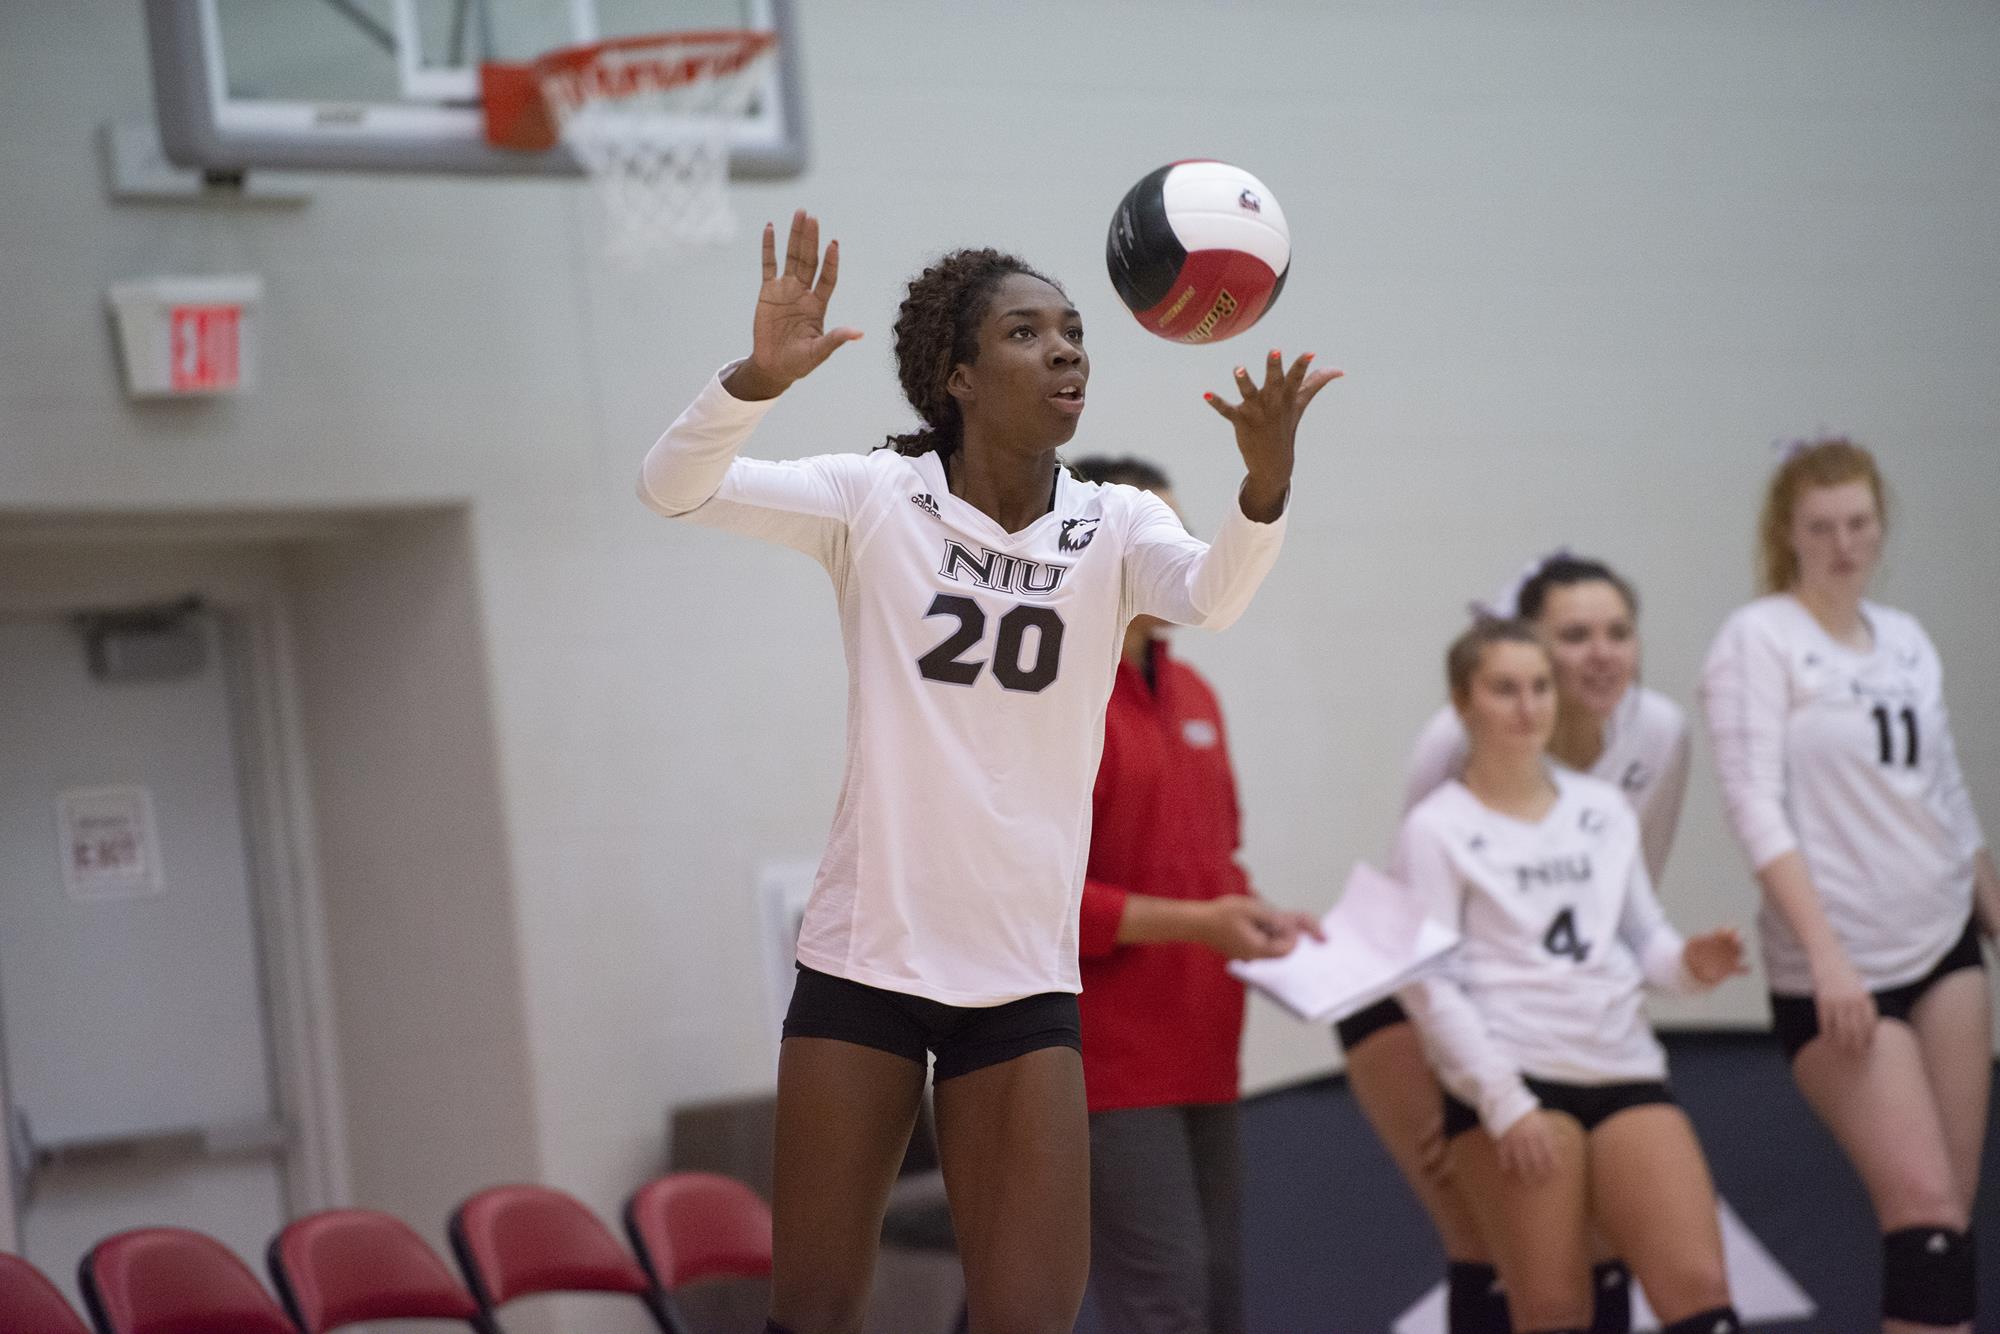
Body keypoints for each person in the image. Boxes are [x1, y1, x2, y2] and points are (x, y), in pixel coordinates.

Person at [637, 211, 1340, 1334]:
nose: (1066, 349)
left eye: (1071, 330)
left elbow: (1213, 596)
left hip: (1019, 976)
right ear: (957, 376)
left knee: (1029, 1315)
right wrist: (753, 378)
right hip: (866, 956)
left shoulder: (1114, 521)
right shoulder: (872, 497)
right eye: (1027, 332)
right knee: (811, 1309)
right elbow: (674, 486)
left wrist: (1261, 490)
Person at [1338, 554, 1691, 1333]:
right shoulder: (1452, 742)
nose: (1599, 655)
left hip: (1552, 1008)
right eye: (1573, 636)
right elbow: (1417, 932)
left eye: (1617, 633)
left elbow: (1628, 911)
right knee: (1489, 1235)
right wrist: (1468, 1087)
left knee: (1602, 1249)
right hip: (1413, 999)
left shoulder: (1659, 730)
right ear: (1524, 646)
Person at [1700, 437, 1998, 1334]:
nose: (1843, 543)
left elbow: (1943, 790)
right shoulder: (1760, 639)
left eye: (1859, 523)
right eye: (1822, 527)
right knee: (1922, 1216)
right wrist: (1828, 959)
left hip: (1944, 940)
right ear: (1788, 535)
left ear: (1881, 525)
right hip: (1840, 966)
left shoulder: (1904, 638)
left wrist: (1988, 900)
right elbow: (1754, 806)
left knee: (1948, 1224)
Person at [1396, 617, 1745, 1334]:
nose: (1528, 706)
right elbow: (1431, 984)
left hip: (1622, 1067)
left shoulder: (1602, 809)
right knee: (1554, 1308)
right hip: (1519, 1081)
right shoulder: (1436, 828)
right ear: (1463, 703)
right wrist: (1503, 1101)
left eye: (1540, 687)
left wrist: (1688, 966)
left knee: (1702, 1291)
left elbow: (1642, 939)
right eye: (1504, 689)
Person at [1069, 454, 1321, 1334]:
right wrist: (1201, 923)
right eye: (1149, 535)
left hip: (1208, 1050)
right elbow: (1040, 902)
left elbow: (1217, 860)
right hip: (1107, 1068)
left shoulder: (1195, 689)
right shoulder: (1054, 697)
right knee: (1165, 1310)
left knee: (1219, 1306)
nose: (1174, 554)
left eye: (1180, 532)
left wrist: (1259, 917)